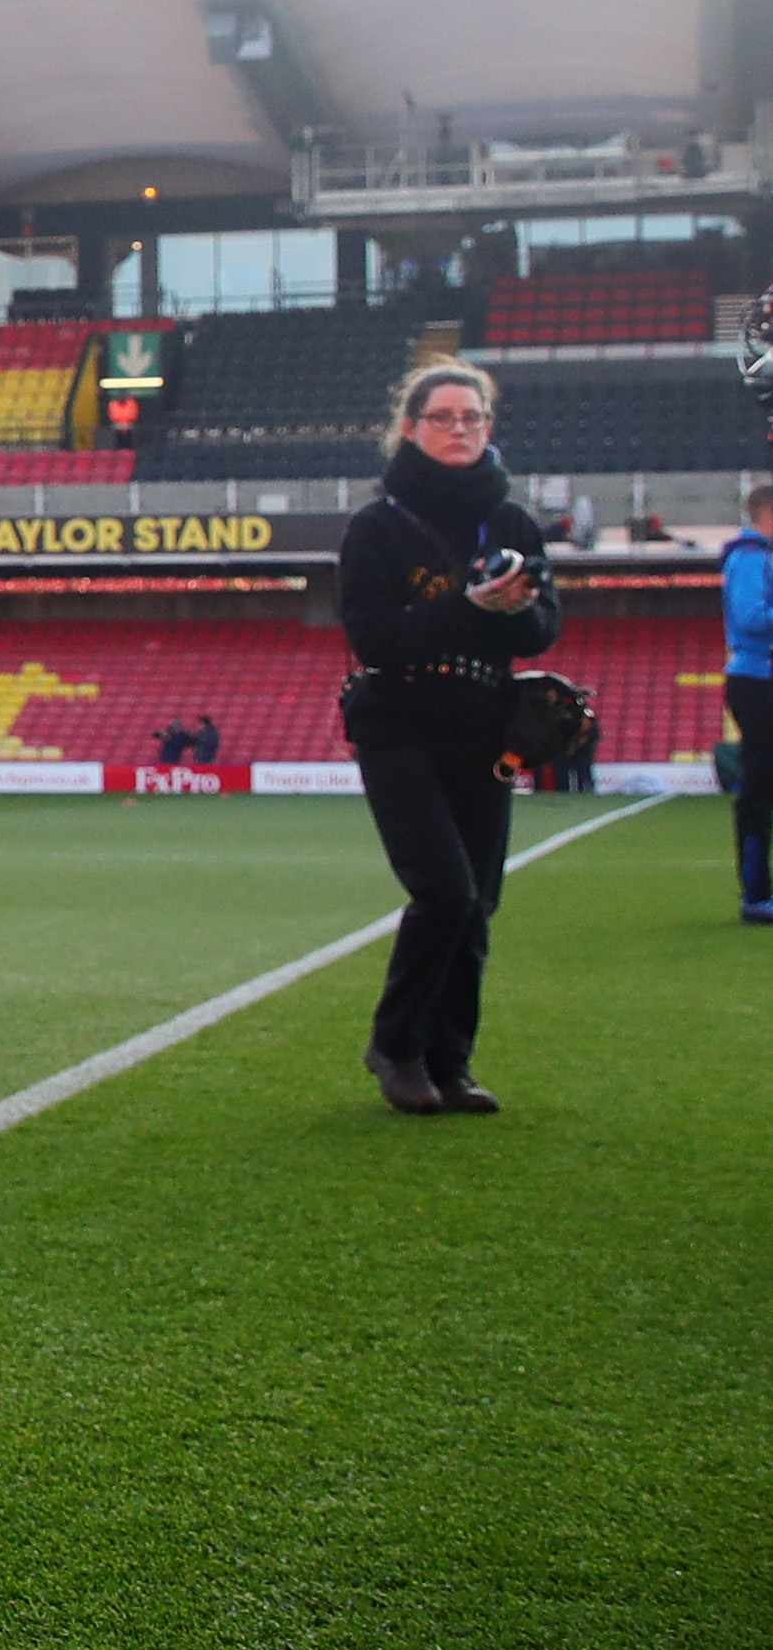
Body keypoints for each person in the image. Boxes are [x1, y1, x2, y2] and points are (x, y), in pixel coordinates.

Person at [339, 363, 557, 1117]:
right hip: (398, 725)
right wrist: (470, 607)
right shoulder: (376, 526)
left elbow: (542, 631)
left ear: (488, 427)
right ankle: (395, 1047)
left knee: (479, 903)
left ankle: (449, 1062)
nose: (459, 429)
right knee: (445, 891)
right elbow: (373, 639)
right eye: (443, 418)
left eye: (472, 418)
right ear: (410, 428)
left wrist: (516, 610)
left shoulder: (515, 523)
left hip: (482, 727)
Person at [724, 481, 770, 922]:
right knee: (760, 787)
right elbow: (751, 618)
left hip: (761, 678)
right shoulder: (750, 558)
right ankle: (756, 894)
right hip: (759, 682)